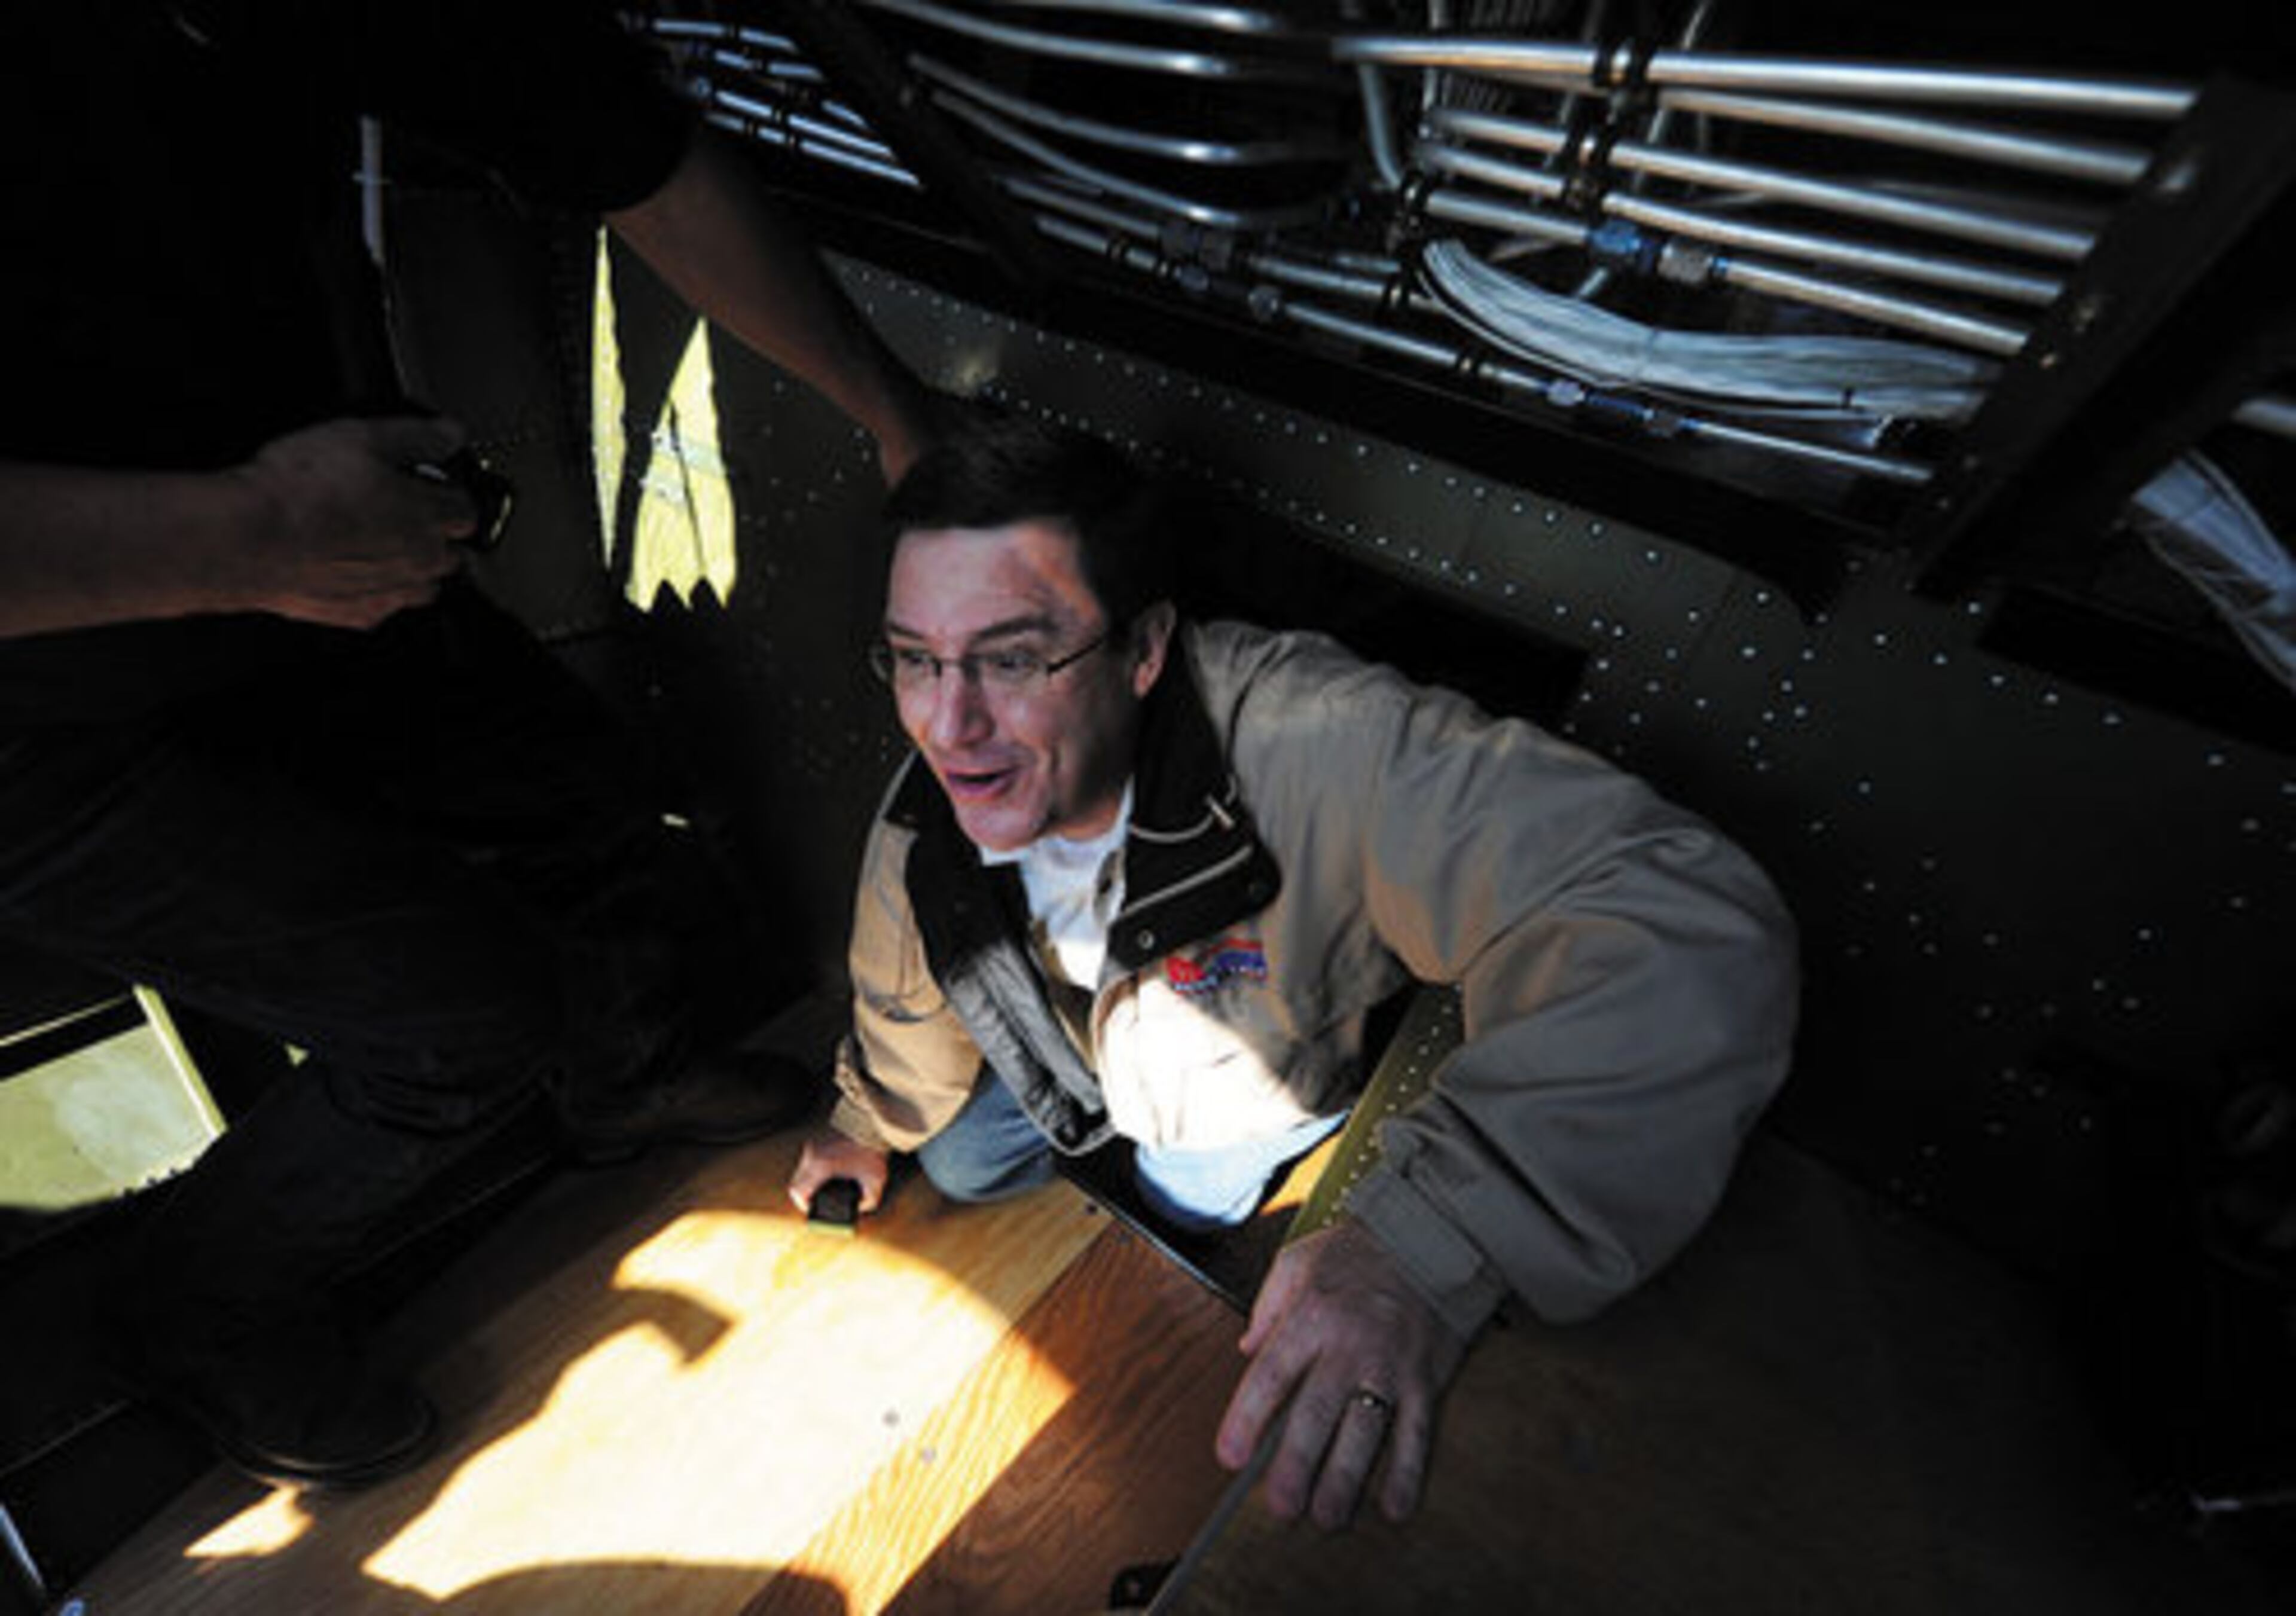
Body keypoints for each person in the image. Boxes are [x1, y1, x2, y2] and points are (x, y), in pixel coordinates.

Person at [0, 1, 941, 1487]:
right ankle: (189, 1301)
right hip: (41, 715)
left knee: (587, 794)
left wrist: (900, 423)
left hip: (306, 579)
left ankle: (616, 1074)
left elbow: (626, 147)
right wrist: (259, 536)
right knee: (456, 1024)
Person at [789, 415, 1800, 1529]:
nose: (947, 722)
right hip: (1072, 1057)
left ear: (1144, 649)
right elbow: (909, 949)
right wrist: (865, 1121)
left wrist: (1427, 1242)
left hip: (1228, 1090)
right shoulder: (937, 796)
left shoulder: (1320, 742)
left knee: (1183, 1194)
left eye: (1016, 658)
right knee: (970, 1165)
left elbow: (1679, 921)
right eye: (916, 659)